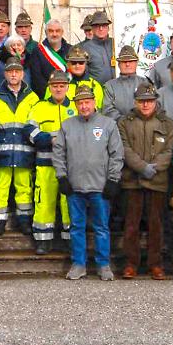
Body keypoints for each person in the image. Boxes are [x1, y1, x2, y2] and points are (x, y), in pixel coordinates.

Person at [54, 85, 123, 281]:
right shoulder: (67, 126)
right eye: (80, 103)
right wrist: (62, 177)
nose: (84, 106)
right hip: (74, 186)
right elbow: (59, 153)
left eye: (87, 102)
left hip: (100, 186)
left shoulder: (108, 125)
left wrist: (113, 179)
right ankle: (78, 264)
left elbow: (116, 154)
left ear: (94, 103)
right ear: (76, 104)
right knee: (76, 226)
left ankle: (103, 264)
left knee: (101, 227)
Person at [118, 81, 173, 279]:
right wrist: (142, 167)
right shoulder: (125, 122)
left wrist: (155, 168)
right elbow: (124, 148)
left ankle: (156, 264)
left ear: (155, 102)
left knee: (156, 224)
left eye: (149, 101)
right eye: (142, 101)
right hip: (132, 180)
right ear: (135, 102)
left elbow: (169, 150)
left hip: (157, 181)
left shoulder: (166, 123)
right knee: (131, 224)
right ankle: (131, 263)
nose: (145, 105)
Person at [25, 70, 78, 254]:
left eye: (62, 86)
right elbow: (29, 131)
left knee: (69, 203)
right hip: (45, 163)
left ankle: (70, 240)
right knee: (43, 202)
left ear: (67, 87)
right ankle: (42, 240)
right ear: (49, 87)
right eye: (55, 86)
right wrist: (49, 139)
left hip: (71, 165)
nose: (58, 89)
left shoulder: (76, 107)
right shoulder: (39, 107)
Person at [0, 58, 39, 236]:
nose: (13, 74)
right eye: (10, 71)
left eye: (17, 71)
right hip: (1, 152)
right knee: (0, 188)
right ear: (5, 74)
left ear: (22, 74)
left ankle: (24, 221)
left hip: (25, 151)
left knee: (24, 187)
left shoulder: (33, 97)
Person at [26, 19, 72, 99]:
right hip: (46, 97)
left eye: (57, 31)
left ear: (62, 32)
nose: (54, 34)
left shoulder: (71, 50)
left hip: (69, 97)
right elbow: (37, 78)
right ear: (46, 33)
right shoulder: (38, 51)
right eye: (51, 31)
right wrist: (51, 95)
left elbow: (74, 74)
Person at [102, 45, 142, 121]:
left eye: (130, 61)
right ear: (119, 64)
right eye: (124, 61)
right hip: (118, 128)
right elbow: (107, 110)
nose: (127, 64)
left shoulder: (145, 83)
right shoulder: (110, 86)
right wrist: (124, 121)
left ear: (136, 63)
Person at [78, 10, 115, 84]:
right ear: (92, 28)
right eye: (97, 26)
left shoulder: (115, 44)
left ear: (108, 28)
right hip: (96, 92)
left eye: (104, 25)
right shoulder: (85, 48)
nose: (101, 28)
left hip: (117, 91)